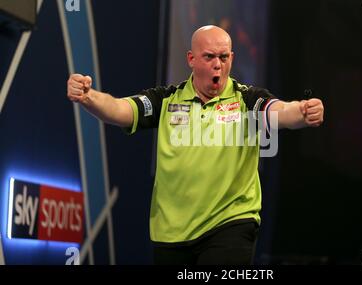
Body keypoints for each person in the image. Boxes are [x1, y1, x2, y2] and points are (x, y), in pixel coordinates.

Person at [66, 25, 324, 265]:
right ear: (191, 59)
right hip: (171, 231)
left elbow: (277, 111)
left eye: (224, 58)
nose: (217, 66)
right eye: (209, 57)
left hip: (230, 224)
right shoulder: (166, 99)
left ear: (232, 58)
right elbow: (120, 109)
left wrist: (301, 112)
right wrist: (89, 98)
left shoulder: (247, 99)